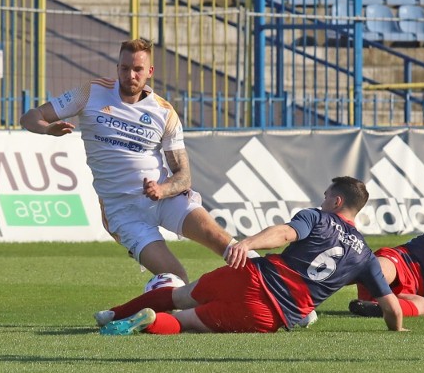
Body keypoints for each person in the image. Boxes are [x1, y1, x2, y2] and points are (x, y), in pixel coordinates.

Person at [19, 38, 253, 284]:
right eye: (124, 68)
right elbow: (30, 116)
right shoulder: (91, 93)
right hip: (123, 212)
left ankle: (275, 291)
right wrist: (47, 128)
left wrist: (162, 189)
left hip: (165, 200)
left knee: (226, 244)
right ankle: (191, 313)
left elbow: (184, 177)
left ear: (149, 72)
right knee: (176, 279)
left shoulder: (164, 112)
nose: (130, 75)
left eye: (138, 69)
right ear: (118, 67)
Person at [93, 177, 406, 335]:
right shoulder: (365, 256)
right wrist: (398, 329)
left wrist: (247, 243)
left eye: (325, 197)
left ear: (336, 201)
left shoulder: (317, 218)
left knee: (177, 295)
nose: (322, 201)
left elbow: (284, 233)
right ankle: (149, 323)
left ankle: (112, 314)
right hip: (268, 312)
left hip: (251, 274)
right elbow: (392, 308)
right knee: (183, 321)